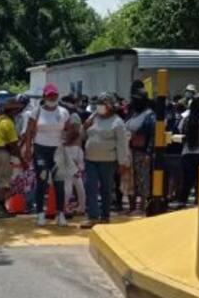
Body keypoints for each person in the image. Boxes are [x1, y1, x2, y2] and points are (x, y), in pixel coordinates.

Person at [22, 83, 71, 226]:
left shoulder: (64, 112)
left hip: (57, 151)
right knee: (42, 181)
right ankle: (40, 214)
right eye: (49, 95)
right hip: (41, 150)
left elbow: (68, 129)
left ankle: (60, 213)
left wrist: (66, 141)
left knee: (59, 183)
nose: (52, 98)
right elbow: (29, 132)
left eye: (54, 95)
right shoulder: (36, 111)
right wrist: (28, 149)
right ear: (44, 96)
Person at [81, 94, 131, 228]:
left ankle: (105, 216)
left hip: (108, 161)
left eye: (103, 104)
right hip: (90, 159)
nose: (100, 106)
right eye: (99, 103)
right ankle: (93, 217)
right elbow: (83, 135)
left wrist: (122, 162)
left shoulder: (117, 122)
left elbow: (122, 144)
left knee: (106, 189)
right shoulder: (93, 118)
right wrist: (84, 127)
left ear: (111, 106)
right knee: (90, 187)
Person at [0, 95, 25, 217]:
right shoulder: (8, 123)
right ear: (13, 110)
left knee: (0, 180)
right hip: (2, 152)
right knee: (4, 182)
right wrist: (22, 160)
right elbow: (13, 144)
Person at [123, 87, 156, 215]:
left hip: (142, 152)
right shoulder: (132, 114)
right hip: (129, 151)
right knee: (130, 179)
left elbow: (152, 136)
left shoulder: (149, 115)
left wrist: (148, 153)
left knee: (142, 179)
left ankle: (142, 206)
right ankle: (132, 206)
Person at [178, 95, 199, 206]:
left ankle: (182, 201)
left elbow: (180, 131)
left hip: (187, 153)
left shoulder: (185, 120)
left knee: (186, 180)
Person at [54, 119, 85, 225]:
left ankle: (79, 208)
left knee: (77, 188)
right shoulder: (62, 143)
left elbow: (79, 161)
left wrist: (78, 168)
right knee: (70, 188)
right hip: (68, 167)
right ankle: (63, 209)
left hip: (73, 166)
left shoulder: (77, 147)